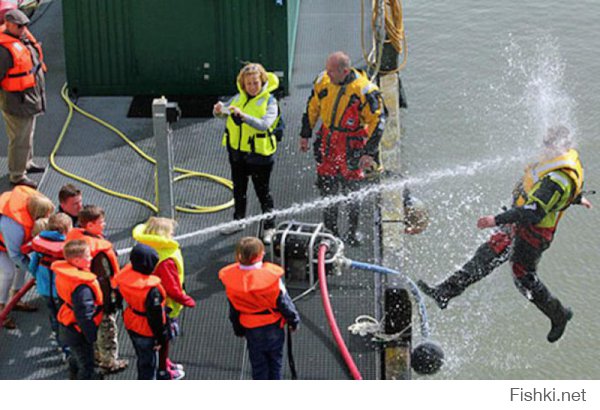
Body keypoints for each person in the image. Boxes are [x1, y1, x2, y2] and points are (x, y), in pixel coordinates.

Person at [418, 125, 592, 343]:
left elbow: (535, 212)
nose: (543, 147)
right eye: (544, 142)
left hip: (532, 235)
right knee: (488, 253)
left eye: (548, 144)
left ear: (561, 147)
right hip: (518, 225)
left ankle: (559, 315)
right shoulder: (557, 163)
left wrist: (496, 220)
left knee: (523, 278)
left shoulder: (558, 178)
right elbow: (559, 192)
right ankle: (445, 292)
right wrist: (577, 198)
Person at [299, 51, 386, 246]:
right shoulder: (323, 81)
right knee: (327, 188)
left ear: (345, 71)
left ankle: (352, 232)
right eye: (327, 69)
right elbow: (312, 107)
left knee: (352, 192)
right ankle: (331, 231)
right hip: (328, 141)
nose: (327, 74)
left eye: (331, 71)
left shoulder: (365, 91)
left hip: (352, 143)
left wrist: (369, 153)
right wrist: (305, 133)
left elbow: (378, 121)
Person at [213, 62, 283, 244]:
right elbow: (226, 113)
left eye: (255, 83)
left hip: (260, 155)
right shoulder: (237, 98)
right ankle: (239, 220)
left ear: (262, 82)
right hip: (237, 153)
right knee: (239, 189)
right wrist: (219, 111)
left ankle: (270, 226)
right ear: (243, 84)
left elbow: (264, 124)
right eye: (248, 84)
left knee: (263, 192)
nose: (252, 87)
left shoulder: (270, 101)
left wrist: (243, 117)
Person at [219, 236, 300, 380]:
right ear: (260, 255)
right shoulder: (272, 279)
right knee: (275, 363)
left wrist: (238, 330)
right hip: (273, 327)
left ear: (238, 256)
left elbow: (233, 311)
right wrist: (293, 321)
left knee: (258, 366)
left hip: (251, 329)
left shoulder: (232, 282)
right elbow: (285, 304)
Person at [66, 205, 127, 372]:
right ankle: (109, 362)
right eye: (101, 222)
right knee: (107, 329)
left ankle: (97, 354)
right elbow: (105, 278)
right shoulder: (99, 253)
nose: (104, 224)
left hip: (84, 296)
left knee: (94, 330)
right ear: (90, 225)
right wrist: (112, 299)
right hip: (100, 297)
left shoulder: (75, 241)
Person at [133, 216, 195, 380]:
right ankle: (163, 370)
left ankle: (164, 363)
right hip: (165, 305)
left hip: (145, 302)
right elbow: (172, 287)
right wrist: (186, 299)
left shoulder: (143, 247)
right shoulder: (166, 258)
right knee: (164, 338)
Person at [0, 9, 46, 188]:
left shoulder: (22, 39)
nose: (23, 29)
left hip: (30, 98)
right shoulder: (3, 50)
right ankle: (17, 175)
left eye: (25, 26)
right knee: (19, 138)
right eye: (19, 26)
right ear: (9, 24)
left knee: (28, 135)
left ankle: (26, 163)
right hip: (16, 102)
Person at [0, 185, 53, 329]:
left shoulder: (34, 204)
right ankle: (1, 306)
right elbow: (15, 255)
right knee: (8, 271)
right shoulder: (14, 227)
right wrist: (36, 272)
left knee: (21, 266)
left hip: (7, 241)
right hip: (3, 243)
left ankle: (15, 299)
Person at [115, 244, 168, 380]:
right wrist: (161, 338)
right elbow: (155, 318)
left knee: (142, 355)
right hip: (146, 329)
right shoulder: (151, 290)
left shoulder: (124, 277)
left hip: (131, 320)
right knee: (149, 363)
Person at [53, 239, 103, 379]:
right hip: (78, 330)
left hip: (67, 324)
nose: (91, 258)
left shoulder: (64, 275)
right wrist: (91, 336)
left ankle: (73, 376)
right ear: (76, 261)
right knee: (87, 366)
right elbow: (84, 315)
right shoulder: (82, 287)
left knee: (75, 358)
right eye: (87, 256)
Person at [30, 213, 72, 358]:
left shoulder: (40, 246)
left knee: (54, 316)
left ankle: (61, 343)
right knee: (66, 319)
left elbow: (32, 266)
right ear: (67, 230)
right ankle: (68, 349)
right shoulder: (67, 247)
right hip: (61, 292)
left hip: (44, 290)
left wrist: (39, 279)